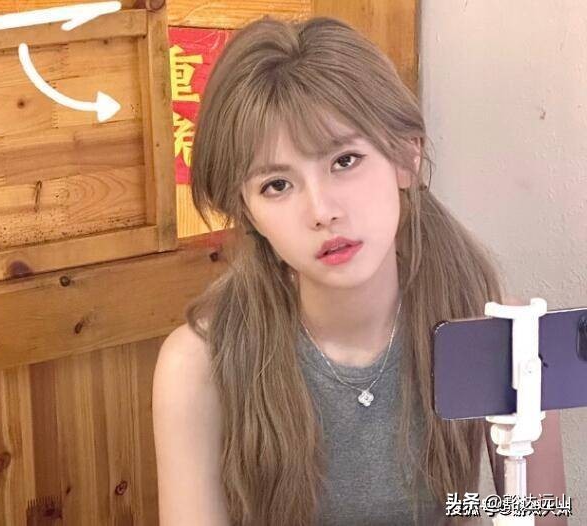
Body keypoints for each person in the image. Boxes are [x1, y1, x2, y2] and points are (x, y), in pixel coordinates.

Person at [152, 15, 566, 526]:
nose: (321, 211)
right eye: (277, 185)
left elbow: (543, 514)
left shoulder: (499, 332)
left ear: (406, 156)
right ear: (248, 213)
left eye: (344, 160)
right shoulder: (197, 364)